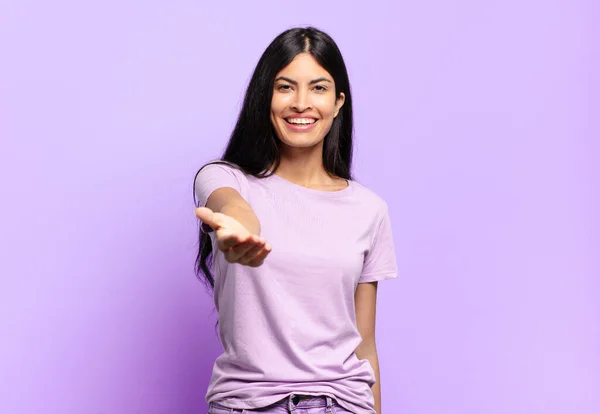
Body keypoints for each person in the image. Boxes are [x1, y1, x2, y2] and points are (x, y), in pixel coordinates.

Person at [193, 27, 398, 414]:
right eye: (285, 87)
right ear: (264, 97)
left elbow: (365, 344)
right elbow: (233, 207)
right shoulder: (223, 178)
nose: (301, 103)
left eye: (318, 89)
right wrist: (239, 231)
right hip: (248, 405)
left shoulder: (369, 210)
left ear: (338, 102)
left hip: (342, 404)